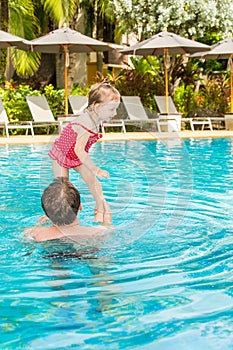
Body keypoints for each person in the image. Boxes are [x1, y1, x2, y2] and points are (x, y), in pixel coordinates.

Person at [48, 81, 120, 225]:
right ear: (96, 106)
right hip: (62, 154)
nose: (115, 113)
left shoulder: (95, 118)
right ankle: (56, 219)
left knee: (92, 180)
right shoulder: (87, 122)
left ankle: (100, 209)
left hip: (75, 156)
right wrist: (95, 169)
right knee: (63, 190)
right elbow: (78, 150)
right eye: (111, 109)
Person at [25, 178, 112, 243]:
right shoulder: (95, 232)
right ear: (80, 207)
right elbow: (108, 229)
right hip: (81, 251)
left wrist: (38, 225)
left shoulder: (35, 233)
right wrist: (107, 221)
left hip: (51, 254)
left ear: (46, 213)